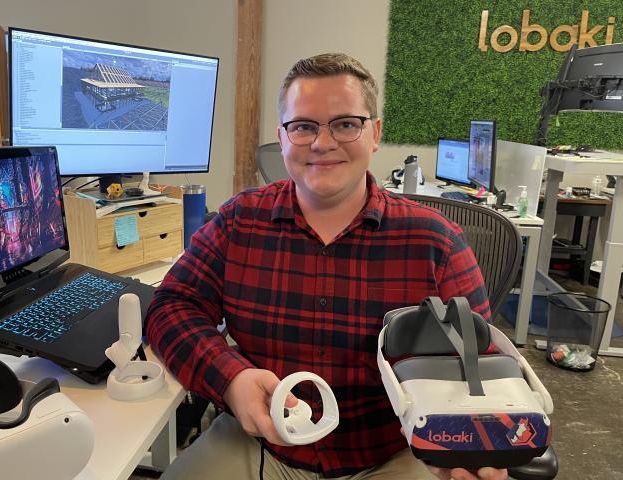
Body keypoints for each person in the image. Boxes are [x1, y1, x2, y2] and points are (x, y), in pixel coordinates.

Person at [145, 53, 507, 480]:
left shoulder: (436, 243)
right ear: (282, 138)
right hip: (264, 441)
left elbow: (481, 365)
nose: (322, 143)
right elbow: (171, 306)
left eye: (345, 124)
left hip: (394, 451)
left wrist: (476, 441)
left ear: (374, 134)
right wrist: (230, 379)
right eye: (303, 126)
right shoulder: (239, 221)